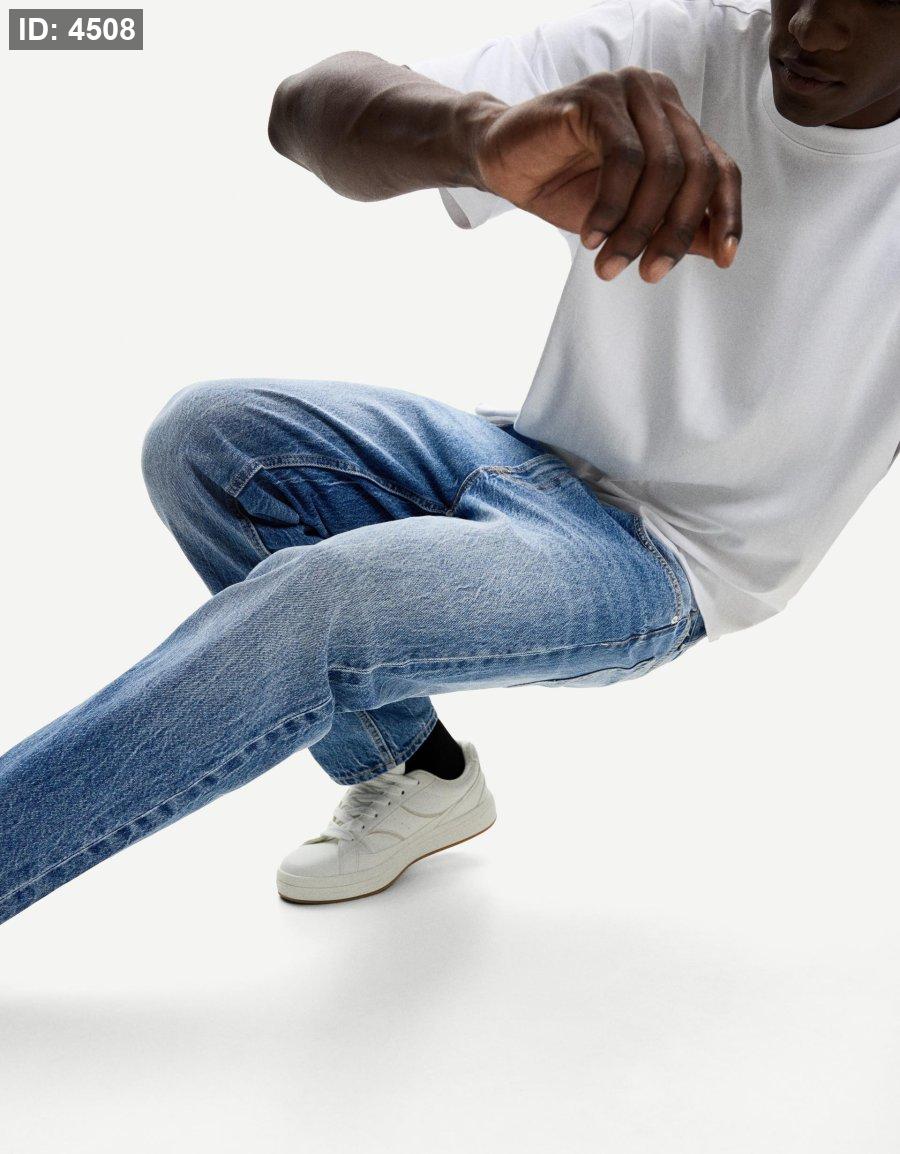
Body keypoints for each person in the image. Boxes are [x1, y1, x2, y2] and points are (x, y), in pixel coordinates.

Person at [1, 0, 898, 925]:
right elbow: (303, 108)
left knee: (327, 601)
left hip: (667, 562)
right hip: (528, 455)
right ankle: (413, 770)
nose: (812, 27)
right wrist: (477, 139)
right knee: (209, 434)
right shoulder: (686, 48)